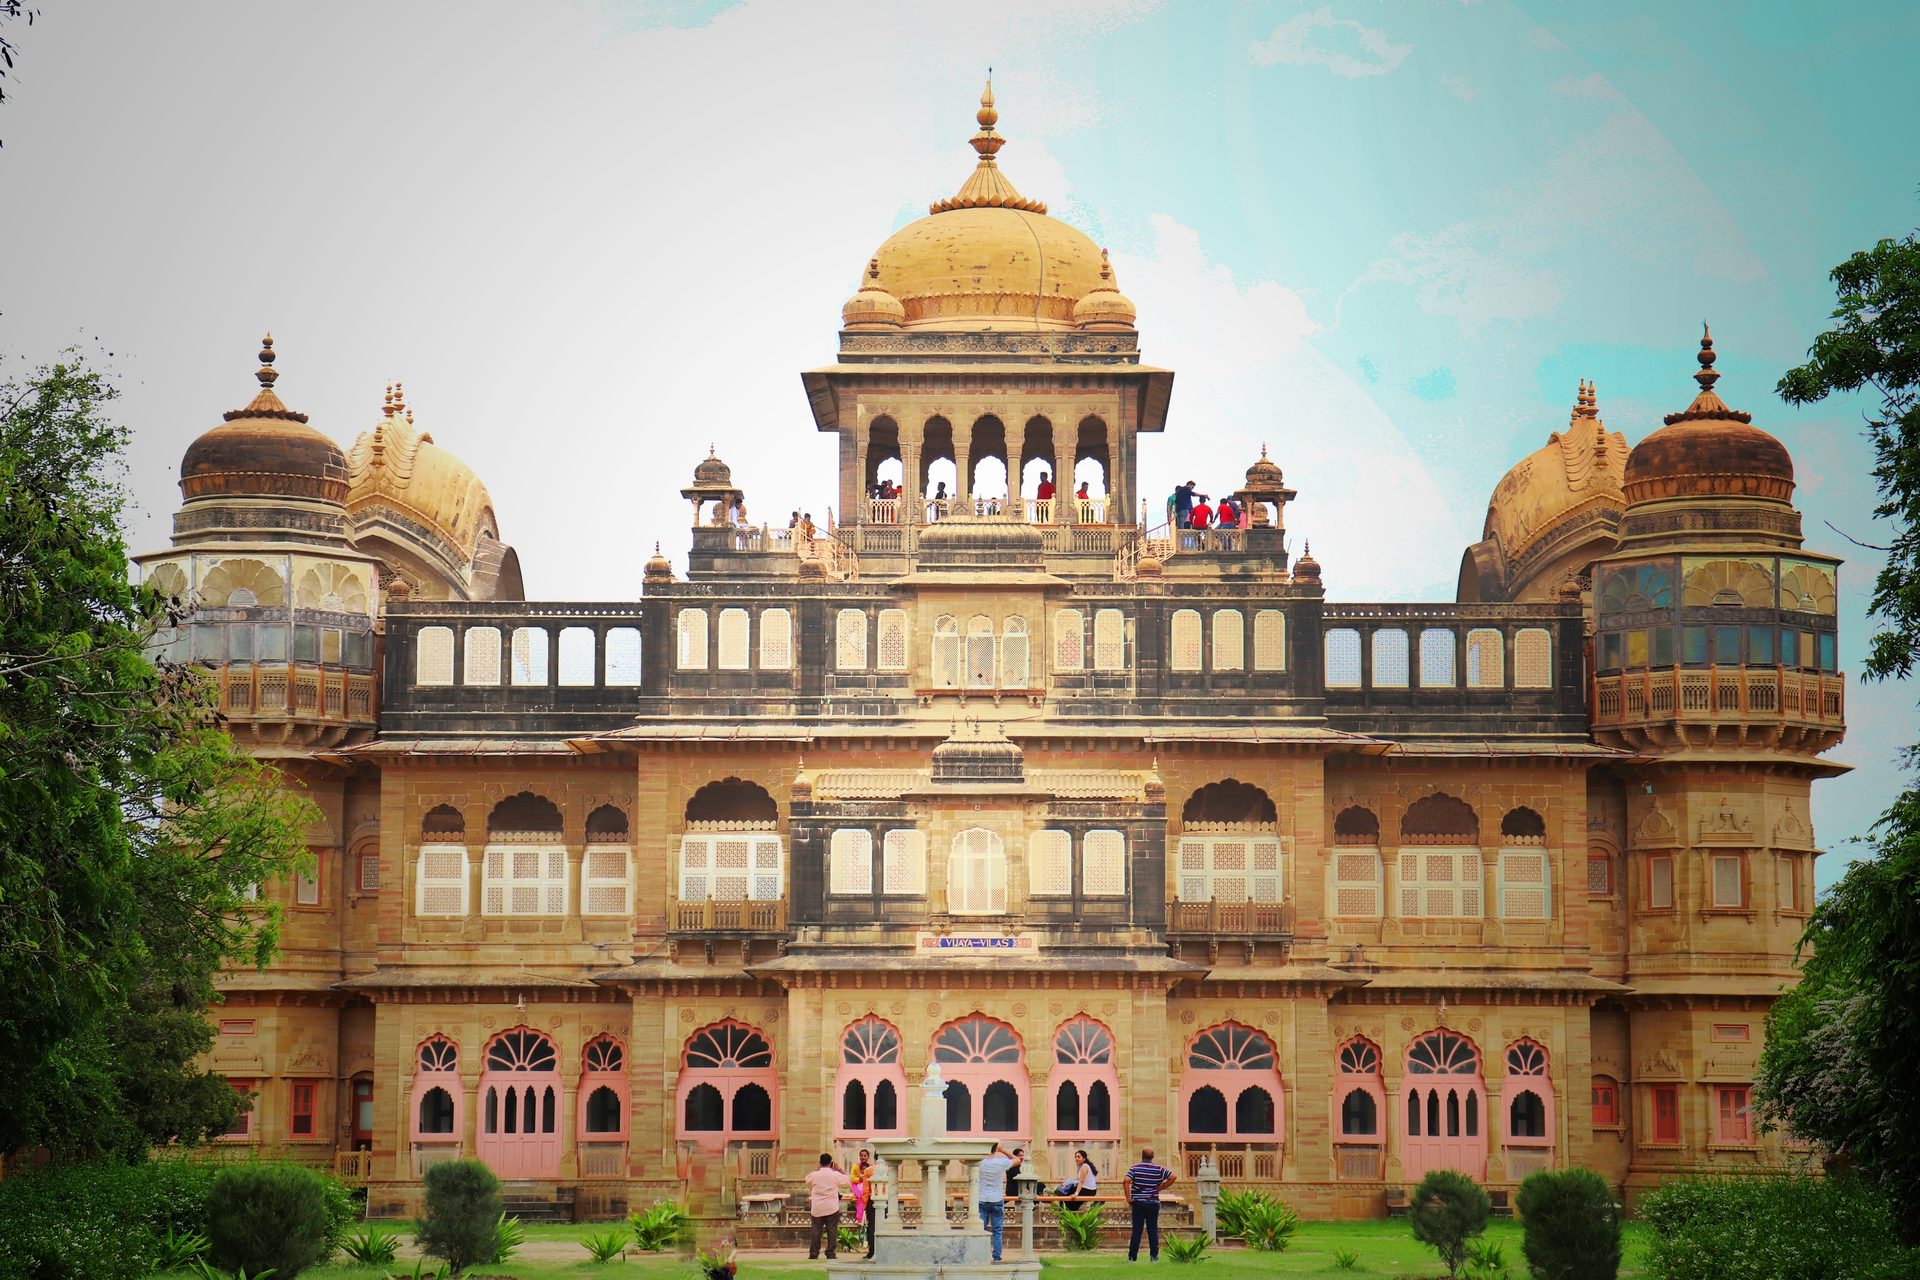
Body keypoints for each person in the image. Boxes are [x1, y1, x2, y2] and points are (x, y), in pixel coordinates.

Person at [1123, 1147, 1176, 1262]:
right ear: (1153, 1157)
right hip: (1153, 1202)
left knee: (1137, 1231)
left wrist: (1128, 1198)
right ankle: (1154, 1257)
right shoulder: (1158, 1169)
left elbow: (1126, 1180)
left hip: (1139, 1203)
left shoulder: (1135, 1168)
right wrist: (1161, 1187)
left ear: (1142, 1156)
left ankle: (1132, 1258)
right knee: (1152, 1230)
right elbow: (1173, 1177)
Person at [805, 1152, 852, 1260]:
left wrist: (818, 1168)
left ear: (820, 1163)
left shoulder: (815, 1175)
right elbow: (848, 1180)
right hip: (831, 1207)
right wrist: (839, 1169)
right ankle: (830, 1253)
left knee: (816, 1231)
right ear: (831, 1163)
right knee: (832, 1231)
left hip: (817, 1208)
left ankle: (814, 1253)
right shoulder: (835, 1175)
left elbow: (807, 1179)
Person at [976, 1142, 1016, 1263]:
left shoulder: (979, 1161)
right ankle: (997, 1257)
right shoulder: (1001, 1162)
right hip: (997, 1199)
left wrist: (977, 1150)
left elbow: (962, 1159)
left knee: (981, 1230)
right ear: (995, 1149)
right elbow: (1017, 1160)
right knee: (997, 1230)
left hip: (982, 1198)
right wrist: (1003, 1150)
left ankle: (981, 1256)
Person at [851, 1148, 872, 1226]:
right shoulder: (856, 1166)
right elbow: (852, 1178)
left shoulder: (870, 1167)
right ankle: (859, 1218)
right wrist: (860, 1179)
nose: (863, 1157)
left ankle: (865, 1218)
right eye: (861, 1155)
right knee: (861, 1197)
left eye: (865, 1155)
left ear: (868, 1157)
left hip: (866, 1186)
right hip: (856, 1185)